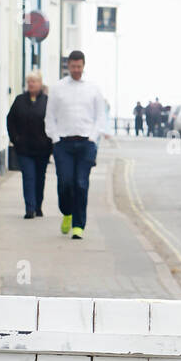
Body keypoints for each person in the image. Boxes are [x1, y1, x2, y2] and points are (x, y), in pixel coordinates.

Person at [45, 50, 106, 240]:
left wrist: (92, 138)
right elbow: (50, 116)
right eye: (73, 67)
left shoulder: (93, 88)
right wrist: (55, 138)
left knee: (81, 184)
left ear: (84, 66)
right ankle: (67, 213)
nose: (76, 70)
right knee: (65, 183)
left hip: (86, 143)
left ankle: (79, 225)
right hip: (63, 144)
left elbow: (100, 116)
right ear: (68, 67)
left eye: (79, 66)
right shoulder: (58, 88)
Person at [6, 70, 52, 219]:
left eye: (34, 81)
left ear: (40, 83)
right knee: (28, 177)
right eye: (29, 82)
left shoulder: (47, 101)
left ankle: (38, 206)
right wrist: (15, 139)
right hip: (24, 148)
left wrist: (51, 143)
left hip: (42, 149)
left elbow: (53, 122)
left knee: (40, 178)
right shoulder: (19, 100)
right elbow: (10, 120)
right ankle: (29, 209)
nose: (31, 84)